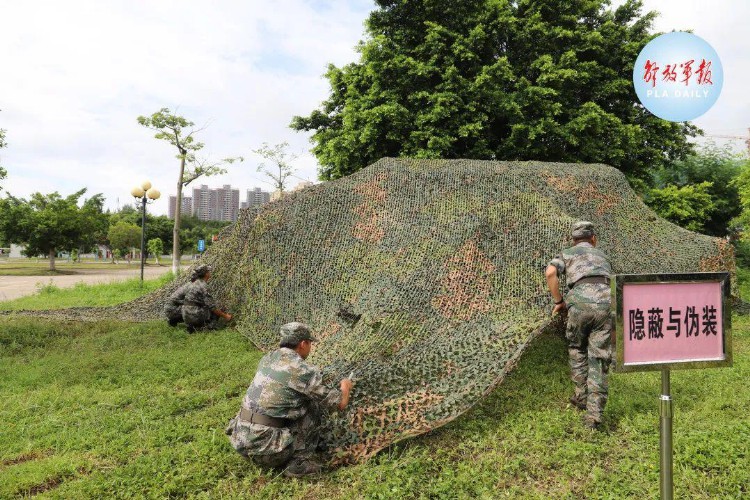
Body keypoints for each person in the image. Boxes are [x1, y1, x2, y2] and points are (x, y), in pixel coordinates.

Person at [226, 322, 354, 478]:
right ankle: (299, 463)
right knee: (314, 404)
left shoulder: (268, 358)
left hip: (240, 442)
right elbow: (340, 403)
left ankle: (286, 447)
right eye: (310, 343)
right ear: (303, 344)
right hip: (267, 451)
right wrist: (345, 386)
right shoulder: (303, 370)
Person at [545, 221, 613, 430]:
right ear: (593, 239)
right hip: (605, 305)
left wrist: (559, 302)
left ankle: (580, 397)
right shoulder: (602, 256)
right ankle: (594, 416)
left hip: (579, 303)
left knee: (577, 348)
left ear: (573, 240)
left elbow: (550, 273)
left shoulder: (567, 253)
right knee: (599, 357)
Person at [181, 264, 233, 332]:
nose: (210, 273)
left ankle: (194, 326)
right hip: (194, 315)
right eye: (208, 271)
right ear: (206, 274)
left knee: (204, 306)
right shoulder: (203, 286)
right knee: (219, 306)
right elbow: (213, 307)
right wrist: (226, 316)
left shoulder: (193, 283)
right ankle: (210, 327)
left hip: (185, 315)